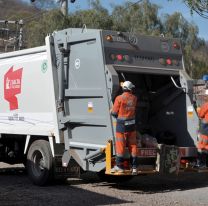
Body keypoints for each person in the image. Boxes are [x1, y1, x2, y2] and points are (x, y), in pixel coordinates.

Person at [110, 81, 138, 175]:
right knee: (133, 145)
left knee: (120, 145)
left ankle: (119, 166)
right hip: (131, 125)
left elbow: (114, 113)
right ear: (130, 89)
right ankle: (134, 167)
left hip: (122, 126)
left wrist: (111, 111)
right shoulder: (134, 98)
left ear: (124, 88)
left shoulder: (119, 98)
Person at [196, 89, 208, 168]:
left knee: (202, 145)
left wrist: (198, 110)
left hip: (205, 128)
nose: (204, 97)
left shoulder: (206, 105)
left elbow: (200, 115)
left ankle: (202, 164)